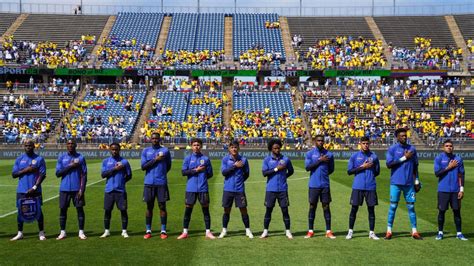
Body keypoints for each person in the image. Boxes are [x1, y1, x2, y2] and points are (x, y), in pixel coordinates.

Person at [385, 128, 422, 240]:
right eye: (402, 135)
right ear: (397, 137)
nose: (404, 137)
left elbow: (415, 166)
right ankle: (389, 231)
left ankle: (414, 231)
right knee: (393, 206)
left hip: (409, 183)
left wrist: (416, 181)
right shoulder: (392, 149)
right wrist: (404, 158)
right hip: (395, 182)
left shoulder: (412, 149)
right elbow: (389, 164)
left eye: (405, 135)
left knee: (411, 207)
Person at [178, 138, 215, 239]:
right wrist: (196, 170)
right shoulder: (188, 158)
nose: (196, 147)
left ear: (201, 146)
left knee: (205, 210)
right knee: (188, 210)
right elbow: (183, 172)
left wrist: (202, 178)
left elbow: (210, 174)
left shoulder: (206, 159)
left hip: (203, 189)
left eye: (198, 145)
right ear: (191, 146)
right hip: (191, 188)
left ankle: (208, 232)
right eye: (194, 145)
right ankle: (185, 232)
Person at [10, 140, 47, 241]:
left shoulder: (39, 159)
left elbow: (42, 175)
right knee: (20, 211)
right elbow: (14, 174)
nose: (28, 147)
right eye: (26, 145)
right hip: (21, 190)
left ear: (34, 146)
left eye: (30, 145)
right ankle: (20, 233)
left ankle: (41, 232)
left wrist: (34, 187)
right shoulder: (19, 159)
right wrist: (26, 170)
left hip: (35, 190)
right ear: (24, 147)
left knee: (38, 210)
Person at [345, 136, 380, 240]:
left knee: (371, 210)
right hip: (358, 186)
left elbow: (377, 171)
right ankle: (350, 231)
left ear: (370, 144)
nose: (365, 145)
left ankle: (372, 232)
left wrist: (370, 177)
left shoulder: (374, 156)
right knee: (354, 209)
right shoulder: (354, 156)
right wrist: (362, 167)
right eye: (363, 143)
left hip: (370, 187)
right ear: (360, 144)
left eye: (367, 143)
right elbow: (349, 171)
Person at [218, 140, 253, 239]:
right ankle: (224, 230)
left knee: (243, 209)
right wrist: (234, 166)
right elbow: (224, 172)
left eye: (235, 147)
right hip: (228, 189)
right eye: (232, 147)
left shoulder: (244, 160)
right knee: (226, 210)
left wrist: (240, 181)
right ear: (229, 149)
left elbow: (246, 174)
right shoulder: (225, 159)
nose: (234, 149)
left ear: (238, 148)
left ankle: (248, 230)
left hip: (239, 189)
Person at [433, 139, 467, 240]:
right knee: (442, 211)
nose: (449, 147)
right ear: (443, 147)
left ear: (453, 147)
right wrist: (449, 167)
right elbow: (437, 173)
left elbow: (461, 175)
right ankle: (440, 232)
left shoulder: (458, 159)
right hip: (443, 190)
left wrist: (461, 189)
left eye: (451, 146)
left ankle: (459, 233)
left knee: (457, 211)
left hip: (456, 190)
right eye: (447, 146)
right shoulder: (439, 158)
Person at [260, 139, 294, 239]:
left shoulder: (286, 159)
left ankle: (288, 231)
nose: (277, 150)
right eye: (275, 148)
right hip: (271, 189)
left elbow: (291, 171)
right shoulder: (267, 160)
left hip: (283, 189)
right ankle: (265, 231)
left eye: (278, 148)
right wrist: (276, 169)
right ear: (271, 149)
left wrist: (284, 177)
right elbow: (264, 173)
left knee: (285, 210)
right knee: (268, 210)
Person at [304, 135, 335, 239]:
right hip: (314, 185)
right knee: (312, 207)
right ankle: (310, 231)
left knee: (326, 207)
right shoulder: (310, 154)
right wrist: (320, 161)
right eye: (318, 141)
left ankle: (328, 231)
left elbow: (331, 169)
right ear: (314, 142)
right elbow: (307, 168)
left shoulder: (329, 154)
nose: (320, 142)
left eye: (322, 141)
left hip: (325, 185)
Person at [55, 139, 88, 240]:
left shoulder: (81, 158)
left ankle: (81, 232)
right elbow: (58, 173)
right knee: (63, 210)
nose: (70, 145)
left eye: (72, 144)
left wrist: (82, 190)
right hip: (64, 189)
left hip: (77, 189)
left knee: (79, 209)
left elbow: (84, 175)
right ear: (66, 146)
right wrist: (70, 166)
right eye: (68, 144)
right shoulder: (62, 157)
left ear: (75, 145)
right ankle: (62, 232)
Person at [141, 133, 172, 239]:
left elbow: (168, 166)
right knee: (149, 207)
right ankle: (148, 230)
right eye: (153, 138)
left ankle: (163, 231)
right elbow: (143, 166)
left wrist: (161, 174)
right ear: (150, 139)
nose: (155, 140)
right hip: (149, 182)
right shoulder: (145, 151)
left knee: (162, 206)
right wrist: (155, 160)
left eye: (156, 138)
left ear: (160, 139)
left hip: (161, 183)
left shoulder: (165, 151)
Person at [100, 143, 132, 238]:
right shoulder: (106, 161)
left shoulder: (125, 162)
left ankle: (124, 231)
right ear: (110, 150)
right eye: (113, 149)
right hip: (109, 190)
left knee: (123, 210)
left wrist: (122, 182)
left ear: (119, 150)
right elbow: (103, 175)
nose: (114, 151)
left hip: (120, 191)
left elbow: (129, 175)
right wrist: (115, 169)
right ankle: (106, 231)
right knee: (107, 211)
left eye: (116, 149)